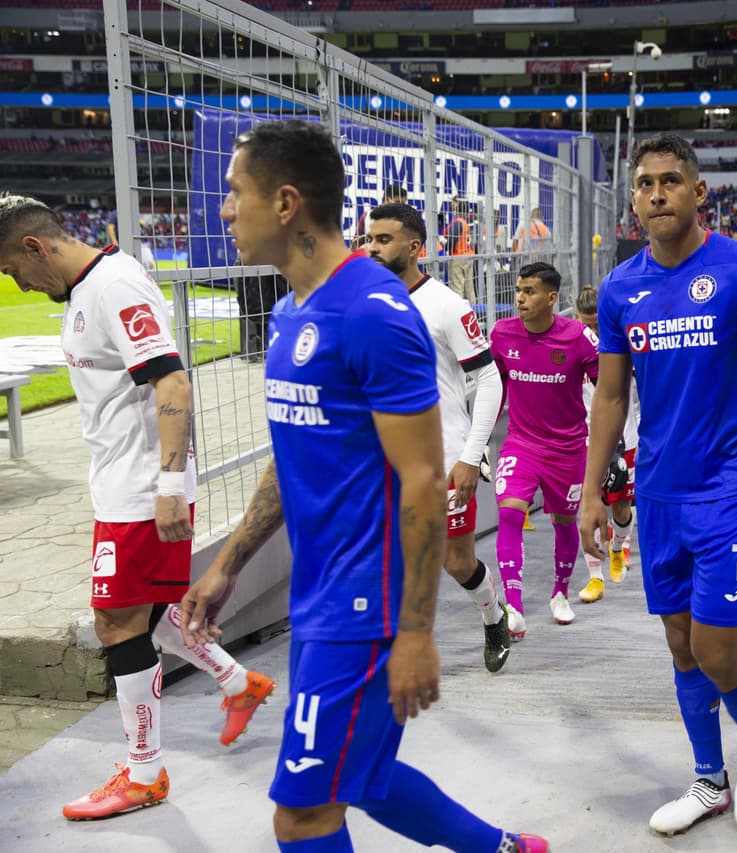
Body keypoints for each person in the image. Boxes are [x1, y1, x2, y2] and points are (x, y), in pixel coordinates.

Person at [178, 120, 546, 853]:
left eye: (235, 192)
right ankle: (501, 849)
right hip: (320, 594)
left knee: (303, 814)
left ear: (286, 203)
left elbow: (422, 480)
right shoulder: (289, 311)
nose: (224, 209)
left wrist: (415, 632)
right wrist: (229, 562)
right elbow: (295, 455)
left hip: (366, 608)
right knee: (362, 777)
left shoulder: (374, 314)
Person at [0, 194, 275, 821]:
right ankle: (238, 683)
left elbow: (172, 380)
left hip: (141, 490)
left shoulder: (114, 286)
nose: (18, 283)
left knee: (116, 624)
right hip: (123, 484)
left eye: (14, 270)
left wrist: (169, 485)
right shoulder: (87, 288)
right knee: (149, 616)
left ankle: (145, 774)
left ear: (35, 246)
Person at [581, 132, 737, 835]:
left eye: (670, 181)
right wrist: (592, 491)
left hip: (730, 488)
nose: (657, 194)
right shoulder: (620, 288)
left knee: (714, 646)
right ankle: (710, 780)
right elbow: (611, 395)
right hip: (659, 493)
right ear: (633, 199)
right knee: (680, 645)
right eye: (645, 184)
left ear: (698, 191)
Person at [364, 202, 511, 673]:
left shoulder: (447, 305)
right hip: (381, 460)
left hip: (443, 458)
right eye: (368, 239)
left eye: (383, 240)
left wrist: (471, 456)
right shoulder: (362, 302)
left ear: (414, 247)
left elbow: (488, 379)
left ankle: (493, 614)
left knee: (456, 562)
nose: (371, 248)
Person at [489, 262, 599, 638]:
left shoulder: (579, 337)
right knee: (510, 513)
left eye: (529, 291)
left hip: (568, 449)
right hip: (521, 442)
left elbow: (609, 391)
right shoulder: (501, 333)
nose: (520, 298)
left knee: (564, 521)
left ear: (551, 298)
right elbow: (494, 388)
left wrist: (613, 446)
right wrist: (479, 439)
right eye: (518, 291)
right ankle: (514, 608)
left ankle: (560, 593)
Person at [574, 284, 637, 603]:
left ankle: (618, 545)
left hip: (626, 436)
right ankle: (595, 576)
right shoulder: (572, 346)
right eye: (586, 325)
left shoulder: (626, 343)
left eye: (597, 325)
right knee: (589, 505)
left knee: (621, 507)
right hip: (583, 439)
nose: (593, 332)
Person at [447, 196, 476, 304]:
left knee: (457, 288)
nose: (452, 205)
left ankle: (458, 312)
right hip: (467, 257)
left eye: (454, 203)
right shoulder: (465, 222)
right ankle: (474, 311)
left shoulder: (458, 222)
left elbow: (451, 242)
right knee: (469, 289)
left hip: (458, 258)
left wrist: (444, 243)